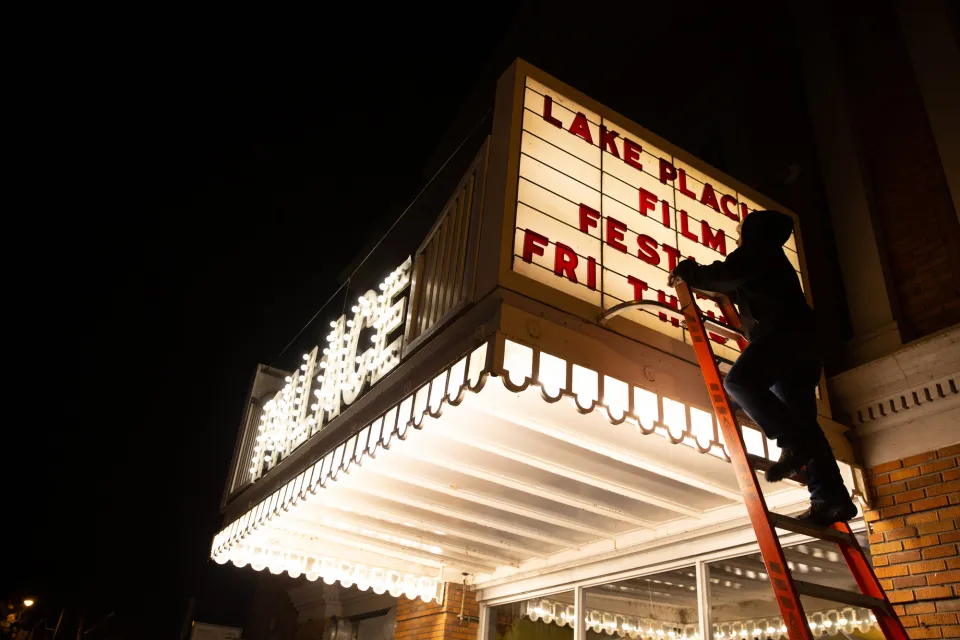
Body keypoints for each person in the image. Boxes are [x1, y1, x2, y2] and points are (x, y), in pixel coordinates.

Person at [667, 209, 857, 526]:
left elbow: (725, 276)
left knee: (738, 382)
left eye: (740, 231)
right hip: (804, 346)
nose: (736, 238)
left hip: (783, 336)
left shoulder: (758, 249)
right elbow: (734, 284)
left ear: (754, 230)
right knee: (804, 423)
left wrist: (687, 270)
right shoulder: (769, 260)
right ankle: (832, 500)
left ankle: (792, 444)